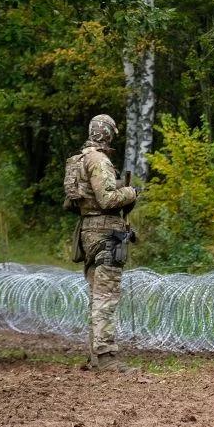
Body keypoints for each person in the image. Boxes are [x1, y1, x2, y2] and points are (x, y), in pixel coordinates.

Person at [68, 114, 139, 371]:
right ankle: (106, 356)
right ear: (108, 134)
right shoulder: (99, 160)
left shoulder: (79, 160)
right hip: (106, 232)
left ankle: (95, 354)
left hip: (87, 230)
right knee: (106, 294)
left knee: (96, 294)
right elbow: (108, 199)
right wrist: (131, 192)